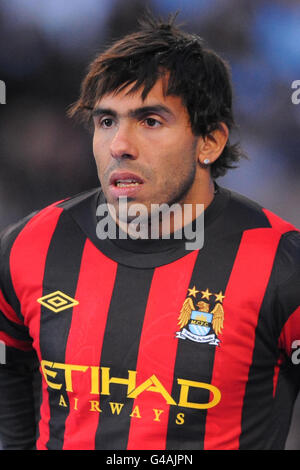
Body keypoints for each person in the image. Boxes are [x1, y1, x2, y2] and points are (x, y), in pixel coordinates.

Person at [0, 14, 299, 451]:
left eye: (150, 121)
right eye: (106, 122)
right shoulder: (29, 247)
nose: (120, 145)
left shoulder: (282, 264)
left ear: (209, 142)